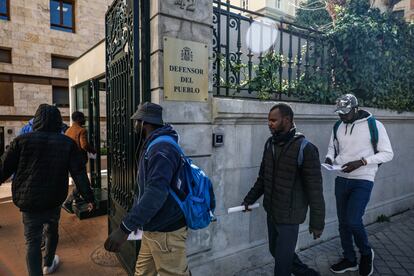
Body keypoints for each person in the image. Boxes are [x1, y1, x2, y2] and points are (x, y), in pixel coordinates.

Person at [0, 104, 95, 276]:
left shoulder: (21, 141)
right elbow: (79, 173)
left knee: (32, 242)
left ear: (36, 121)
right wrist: (89, 197)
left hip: (28, 201)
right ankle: (49, 263)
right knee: (52, 231)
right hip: (53, 198)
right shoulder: (66, 143)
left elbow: (3, 169)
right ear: (57, 121)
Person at [104, 102, 189, 276]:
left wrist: (124, 228)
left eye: (137, 121)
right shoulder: (155, 144)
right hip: (153, 227)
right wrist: (137, 220)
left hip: (166, 231)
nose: (135, 125)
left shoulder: (161, 149)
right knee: (142, 272)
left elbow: (155, 193)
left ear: (144, 123)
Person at [242, 103, 325, 276]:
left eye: (273, 120)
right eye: (268, 120)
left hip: (290, 216)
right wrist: (249, 199)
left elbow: (315, 190)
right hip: (272, 212)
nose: (269, 124)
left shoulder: (306, 149)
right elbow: (263, 178)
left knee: (282, 265)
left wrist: (317, 223)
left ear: (286, 120)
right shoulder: (269, 144)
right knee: (276, 252)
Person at [326, 94, 393, 276]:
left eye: (346, 113)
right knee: (343, 223)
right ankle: (349, 259)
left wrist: (362, 162)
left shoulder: (375, 126)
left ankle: (366, 253)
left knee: (354, 220)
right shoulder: (338, 125)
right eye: (339, 113)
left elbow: (388, 154)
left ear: (355, 109)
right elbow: (333, 146)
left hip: (363, 178)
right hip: (341, 178)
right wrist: (329, 158)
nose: (342, 116)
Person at [62, 111, 96, 213]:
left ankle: (76, 199)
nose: (85, 119)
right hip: (78, 161)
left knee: (78, 182)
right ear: (79, 119)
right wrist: (93, 150)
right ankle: (68, 202)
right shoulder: (82, 130)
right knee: (83, 182)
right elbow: (84, 145)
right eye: (83, 118)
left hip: (70, 161)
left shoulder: (68, 130)